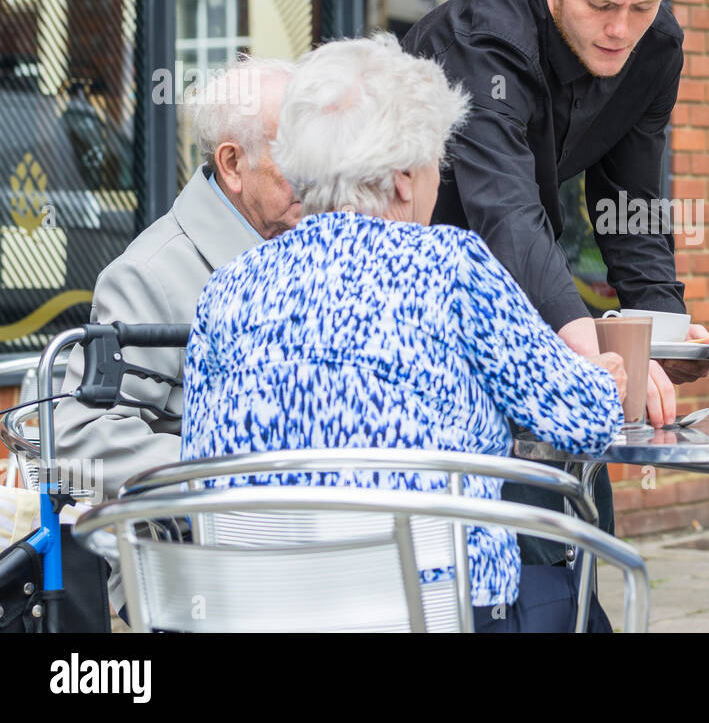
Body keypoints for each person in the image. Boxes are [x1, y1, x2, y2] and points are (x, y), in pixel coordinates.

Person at [181, 34, 628, 633]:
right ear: (400, 182)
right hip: (432, 614)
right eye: (434, 166)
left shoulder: (225, 288)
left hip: (264, 614)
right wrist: (599, 378)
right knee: (572, 596)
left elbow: (200, 466)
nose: (438, 184)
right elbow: (585, 422)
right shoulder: (450, 266)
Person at [400, 0, 709, 565]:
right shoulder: (481, 43)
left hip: (527, 293)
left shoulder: (656, 47)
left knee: (581, 538)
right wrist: (587, 347)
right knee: (484, 547)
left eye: (643, 6)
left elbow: (630, 201)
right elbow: (507, 211)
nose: (620, 30)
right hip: (420, 302)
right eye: (600, 4)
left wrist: (661, 330)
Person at [54, 58, 299, 503]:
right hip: (191, 554)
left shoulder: (302, 240)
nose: (317, 174)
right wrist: (240, 478)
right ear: (232, 164)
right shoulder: (150, 275)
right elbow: (79, 444)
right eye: (297, 155)